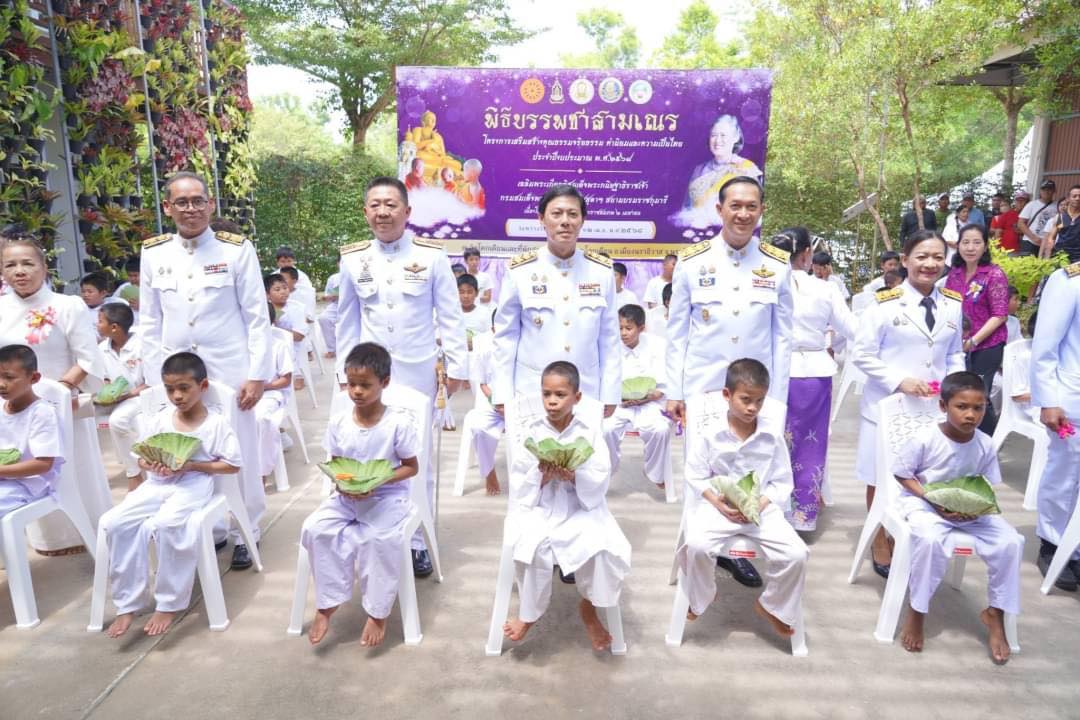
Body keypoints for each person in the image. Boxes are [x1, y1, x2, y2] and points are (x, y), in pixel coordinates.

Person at [139, 171, 272, 571]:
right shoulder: (155, 254)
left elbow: (256, 316)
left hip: (229, 372)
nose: (191, 209)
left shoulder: (236, 250)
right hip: (177, 374)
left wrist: (256, 374)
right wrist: (151, 381)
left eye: (198, 201)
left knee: (239, 451)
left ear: (210, 205)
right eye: (182, 202)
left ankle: (246, 528)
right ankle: (209, 528)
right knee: (188, 449)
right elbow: (149, 321)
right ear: (168, 208)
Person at [336, 176, 466, 577]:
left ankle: (415, 540)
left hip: (415, 372)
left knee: (416, 456)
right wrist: (346, 375)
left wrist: (457, 367)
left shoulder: (431, 257)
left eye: (391, 204)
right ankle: (371, 526)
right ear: (365, 211)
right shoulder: (353, 259)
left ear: (407, 212)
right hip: (368, 378)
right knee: (368, 452)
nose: (383, 212)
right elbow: (347, 319)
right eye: (375, 204)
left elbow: (449, 314)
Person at [666, 176, 792, 587]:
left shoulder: (776, 264)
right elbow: (677, 334)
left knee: (751, 470)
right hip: (703, 390)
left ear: (761, 212)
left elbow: (783, 338)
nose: (742, 213)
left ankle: (741, 547)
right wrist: (675, 392)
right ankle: (695, 564)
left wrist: (780, 400)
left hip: (756, 394)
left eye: (751, 206)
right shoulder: (692, 262)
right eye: (734, 206)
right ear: (718, 210)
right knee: (699, 476)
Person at [99, 352, 242, 638]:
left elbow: (232, 464)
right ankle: (128, 602)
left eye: (184, 388)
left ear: (202, 387)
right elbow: (139, 456)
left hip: (193, 483)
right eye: (170, 389)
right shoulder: (160, 419)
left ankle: (169, 601)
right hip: (156, 484)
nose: (177, 395)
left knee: (167, 524)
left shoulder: (215, 424)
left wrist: (192, 465)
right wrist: (149, 463)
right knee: (114, 522)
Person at [852, 230, 965, 575]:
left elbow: (955, 352)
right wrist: (899, 381)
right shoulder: (884, 304)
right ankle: (880, 538)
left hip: (933, 409)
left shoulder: (952, 304)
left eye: (936, 257)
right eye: (921, 256)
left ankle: (914, 531)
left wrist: (954, 387)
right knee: (881, 476)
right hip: (889, 406)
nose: (929, 264)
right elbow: (862, 354)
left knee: (923, 473)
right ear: (905, 261)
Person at [892, 371, 1023, 664]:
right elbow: (902, 474)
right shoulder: (926, 438)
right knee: (928, 541)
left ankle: (996, 614)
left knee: (1011, 543)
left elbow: (988, 485)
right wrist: (932, 499)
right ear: (943, 406)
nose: (971, 415)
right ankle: (918, 610)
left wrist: (972, 508)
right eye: (961, 407)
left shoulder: (985, 443)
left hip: (969, 510)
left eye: (978, 408)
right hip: (925, 503)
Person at [502, 361, 631, 652]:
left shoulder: (590, 432)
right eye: (546, 394)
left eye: (560, 395)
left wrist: (575, 475)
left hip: (580, 507)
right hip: (541, 506)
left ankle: (589, 608)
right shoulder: (532, 431)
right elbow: (520, 480)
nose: (552, 401)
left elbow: (600, 476)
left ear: (576, 397)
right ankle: (530, 614)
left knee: (603, 549)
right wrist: (542, 475)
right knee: (532, 546)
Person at [677, 358, 808, 637]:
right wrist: (716, 502)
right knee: (697, 546)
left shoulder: (772, 437)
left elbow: (782, 481)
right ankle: (703, 595)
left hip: (761, 510)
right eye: (746, 399)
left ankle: (773, 605)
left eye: (759, 401)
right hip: (719, 507)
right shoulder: (711, 435)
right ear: (727, 395)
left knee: (797, 554)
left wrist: (759, 504)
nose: (752, 408)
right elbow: (696, 474)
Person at [300, 343, 419, 647]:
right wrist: (341, 484)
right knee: (315, 528)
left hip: (387, 498)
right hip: (347, 497)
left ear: (385, 383)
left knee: (379, 540)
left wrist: (378, 481)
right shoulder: (340, 422)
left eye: (365, 385)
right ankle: (327, 604)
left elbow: (411, 467)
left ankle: (378, 613)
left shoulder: (397, 423)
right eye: (352, 384)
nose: (357, 391)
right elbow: (337, 463)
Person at [0, 229, 109, 553]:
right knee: (20, 467)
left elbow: (88, 358)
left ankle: (86, 535)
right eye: (10, 265)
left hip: (61, 407)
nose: (20, 271)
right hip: (11, 411)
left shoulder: (67, 305)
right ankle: (40, 541)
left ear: (44, 267)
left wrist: (55, 397)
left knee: (72, 471)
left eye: (27, 263)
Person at [493, 184, 621, 417]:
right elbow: (506, 337)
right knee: (530, 453)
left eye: (573, 214)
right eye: (557, 213)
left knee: (585, 453)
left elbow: (609, 338)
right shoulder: (519, 270)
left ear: (583, 221)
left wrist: (610, 393)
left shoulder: (601, 271)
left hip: (585, 392)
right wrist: (502, 392)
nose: (565, 221)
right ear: (541, 219)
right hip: (532, 391)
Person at [771, 228, 855, 531]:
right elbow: (850, 327)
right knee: (809, 444)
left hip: (771, 372)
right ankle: (803, 513)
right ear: (807, 254)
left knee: (770, 439)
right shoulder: (826, 288)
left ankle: (771, 509)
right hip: (814, 373)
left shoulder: (766, 284)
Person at [1031, 256, 1080, 590]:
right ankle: (1053, 543)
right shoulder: (1070, 280)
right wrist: (1049, 399)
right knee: (1066, 473)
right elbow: (1045, 346)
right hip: (1072, 397)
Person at [943, 223, 1009, 435]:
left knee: (980, 395)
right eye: (966, 242)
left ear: (985, 246)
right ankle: (960, 437)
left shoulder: (994, 274)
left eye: (976, 242)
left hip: (987, 344)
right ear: (958, 245)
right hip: (957, 344)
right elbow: (947, 307)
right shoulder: (954, 274)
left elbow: (1000, 315)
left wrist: (972, 341)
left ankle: (987, 442)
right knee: (957, 394)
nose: (970, 247)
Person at [602, 304, 673, 495]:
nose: (623, 333)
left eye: (628, 328)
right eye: (620, 328)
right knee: (605, 429)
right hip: (619, 403)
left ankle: (654, 473)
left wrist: (650, 395)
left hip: (649, 403)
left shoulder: (658, 345)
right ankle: (607, 470)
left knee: (659, 430)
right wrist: (617, 397)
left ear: (641, 328)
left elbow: (663, 384)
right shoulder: (609, 346)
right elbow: (605, 379)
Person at [0, 345, 62, 524]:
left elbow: (43, 464)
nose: (1, 384)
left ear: (34, 378)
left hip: (28, 484)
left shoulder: (42, 412)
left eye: (9, 377)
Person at [96, 303, 148, 491]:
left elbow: (151, 382)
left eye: (100, 321)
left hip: (143, 395)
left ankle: (134, 474)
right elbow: (106, 379)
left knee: (117, 421)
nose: (97, 325)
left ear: (114, 327)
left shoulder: (143, 344)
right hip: (120, 399)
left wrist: (127, 395)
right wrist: (107, 393)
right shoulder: (102, 349)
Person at [682, 115, 763, 223]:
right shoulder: (699, 169)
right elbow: (686, 209)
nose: (718, 140)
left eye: (723, 135)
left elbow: (754, 212)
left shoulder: (746, 169)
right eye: (714, 135)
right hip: (694, 231)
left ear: (736, 137)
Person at [463, 309, 503, 495]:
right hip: (493, 404)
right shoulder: (486, 352)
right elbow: (483, 383)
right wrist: (495, 400)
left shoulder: (526, 349)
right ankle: (489, 472)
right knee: (478, 428)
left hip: (519, 406)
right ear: (494, 328)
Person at [255, 302, 294, 478]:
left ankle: (261, 473)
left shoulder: (278, 345)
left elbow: (286, 380)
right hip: (244, 394)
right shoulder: (240, 344)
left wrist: (263, 386)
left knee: (261, 418)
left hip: (270, 394)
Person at [265, 272, 307, 383]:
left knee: (283, 349)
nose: (283, 291)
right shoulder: (265, 309)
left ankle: (296, 376)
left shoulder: (296, 308)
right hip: (270, 345)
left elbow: (299, 336)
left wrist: (276, 330)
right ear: (267, 294)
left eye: (285, 288)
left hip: (292, 345)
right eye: (277, 290)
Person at [1039, 184, 1080, 263]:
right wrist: (1047, 258)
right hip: (1060, 256)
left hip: (1078, 259)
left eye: (1079, 196)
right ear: (1068, 199)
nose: (1077, 198)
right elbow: (1051, 238)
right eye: (1074, 196)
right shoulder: (1060, 217)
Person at [1018, 179, 1059, 256]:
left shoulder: (1058, 206)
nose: (1046, 191)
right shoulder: (1032, 204)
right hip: (1029, 242)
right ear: (1040, 190)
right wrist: (1034, 238)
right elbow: (1020, 223)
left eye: (1049, 189)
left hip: (1047, 244)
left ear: (1054, 191)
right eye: (1044, 189)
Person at [457, 273, 491, 339]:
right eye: (461, 292)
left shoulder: (484, 313)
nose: (465, 296)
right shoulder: (452, 313)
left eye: (469, 292)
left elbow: (489, 337)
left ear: (476, 293)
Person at [80, 272, 111, 337]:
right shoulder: (78, 308)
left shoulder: (112, 310)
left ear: (103, 293)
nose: (85, 295)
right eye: (83, 291)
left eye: (90, 292)